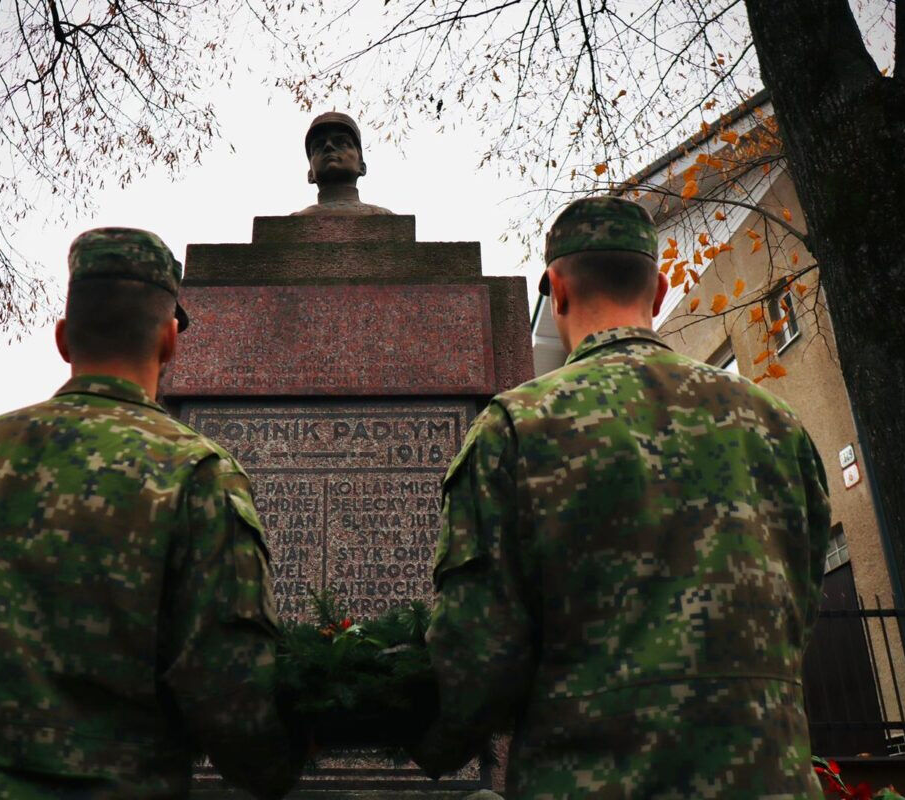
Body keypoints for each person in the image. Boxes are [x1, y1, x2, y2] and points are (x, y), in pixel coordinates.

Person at [411, 197, 832, 798]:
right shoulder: (777, 425)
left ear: (556, 290)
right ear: (659, 292)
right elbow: (799, 608)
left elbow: (478, 658)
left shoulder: (518, 429)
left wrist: (422, 743)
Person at [0, 228, 303, 799]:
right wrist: (278, 772)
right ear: (169, 340)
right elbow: (227, 690)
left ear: (64, 339)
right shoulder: (196, 476)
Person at [292, 111, 394, 216]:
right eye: (318, 146)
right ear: (310, 174)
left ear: (362, 167)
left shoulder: (385, 217)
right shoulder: (293, 222)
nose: (328, 146)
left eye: (342, 143)